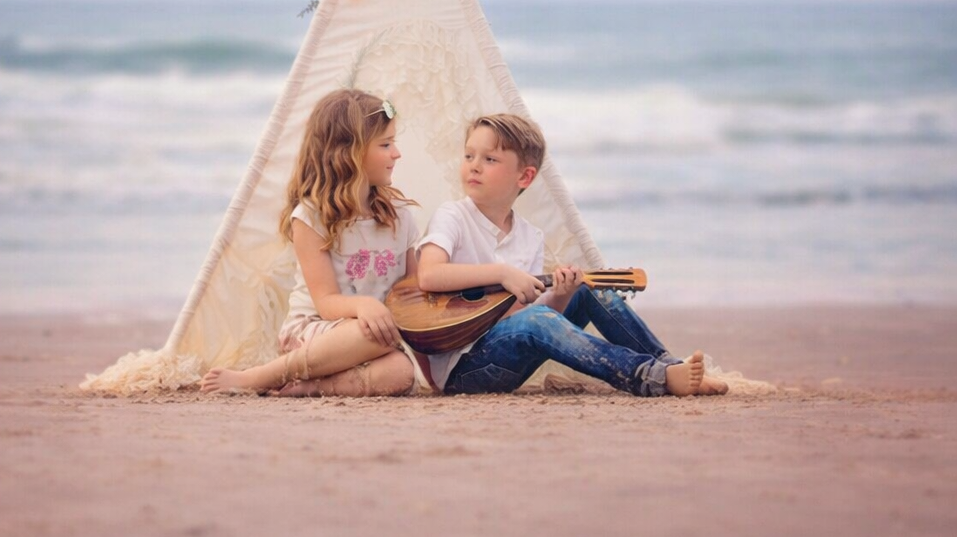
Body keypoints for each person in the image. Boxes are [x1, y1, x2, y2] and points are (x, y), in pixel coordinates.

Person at [417, 112, 728, 398]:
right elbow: (429, 274)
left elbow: (520, 317)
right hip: (465, 368)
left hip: (509, 356)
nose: (474, 165)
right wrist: (502, 273)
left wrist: (561, 296)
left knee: (588, 288)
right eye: (469, 155)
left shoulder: (529, 237)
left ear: (524, 177)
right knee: (536, 320)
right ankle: (647, 376)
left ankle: (669, 365)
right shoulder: (453, 216)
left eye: (489, 159)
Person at [202, 89, 418, 397]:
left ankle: (311, 388)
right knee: (370, 334)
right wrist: (364, 306)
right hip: (315, 332)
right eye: (386, 144)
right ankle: (261, 376)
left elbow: (412, 292)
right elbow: (326, 301)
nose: (396, 153)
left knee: (401, 372)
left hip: (377, 338)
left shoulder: (400, 217)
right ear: (350, 153)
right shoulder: (312, 216)